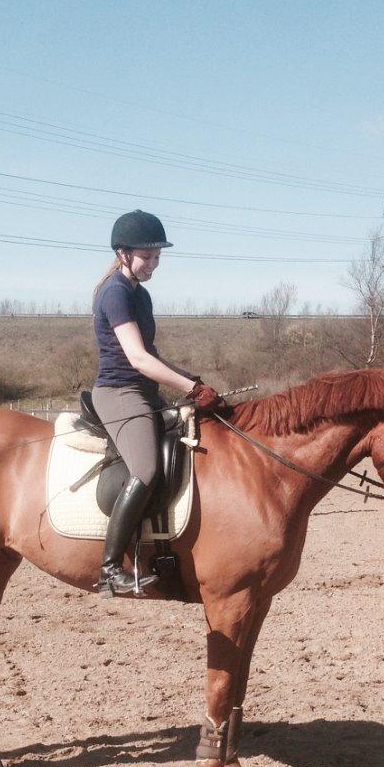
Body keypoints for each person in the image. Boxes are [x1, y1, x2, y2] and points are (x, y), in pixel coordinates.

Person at [91, 209, 226, 597]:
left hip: (144, 391)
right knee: (147, 470)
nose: (153, 264)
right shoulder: (115, 292)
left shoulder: (140, 294)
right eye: (146, 257)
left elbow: (153, 354)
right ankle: (110, 569)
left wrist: (193, 382)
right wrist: (189, 386)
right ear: (123, 254)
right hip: (119, 392)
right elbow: (137, 358)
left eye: (157, 258)